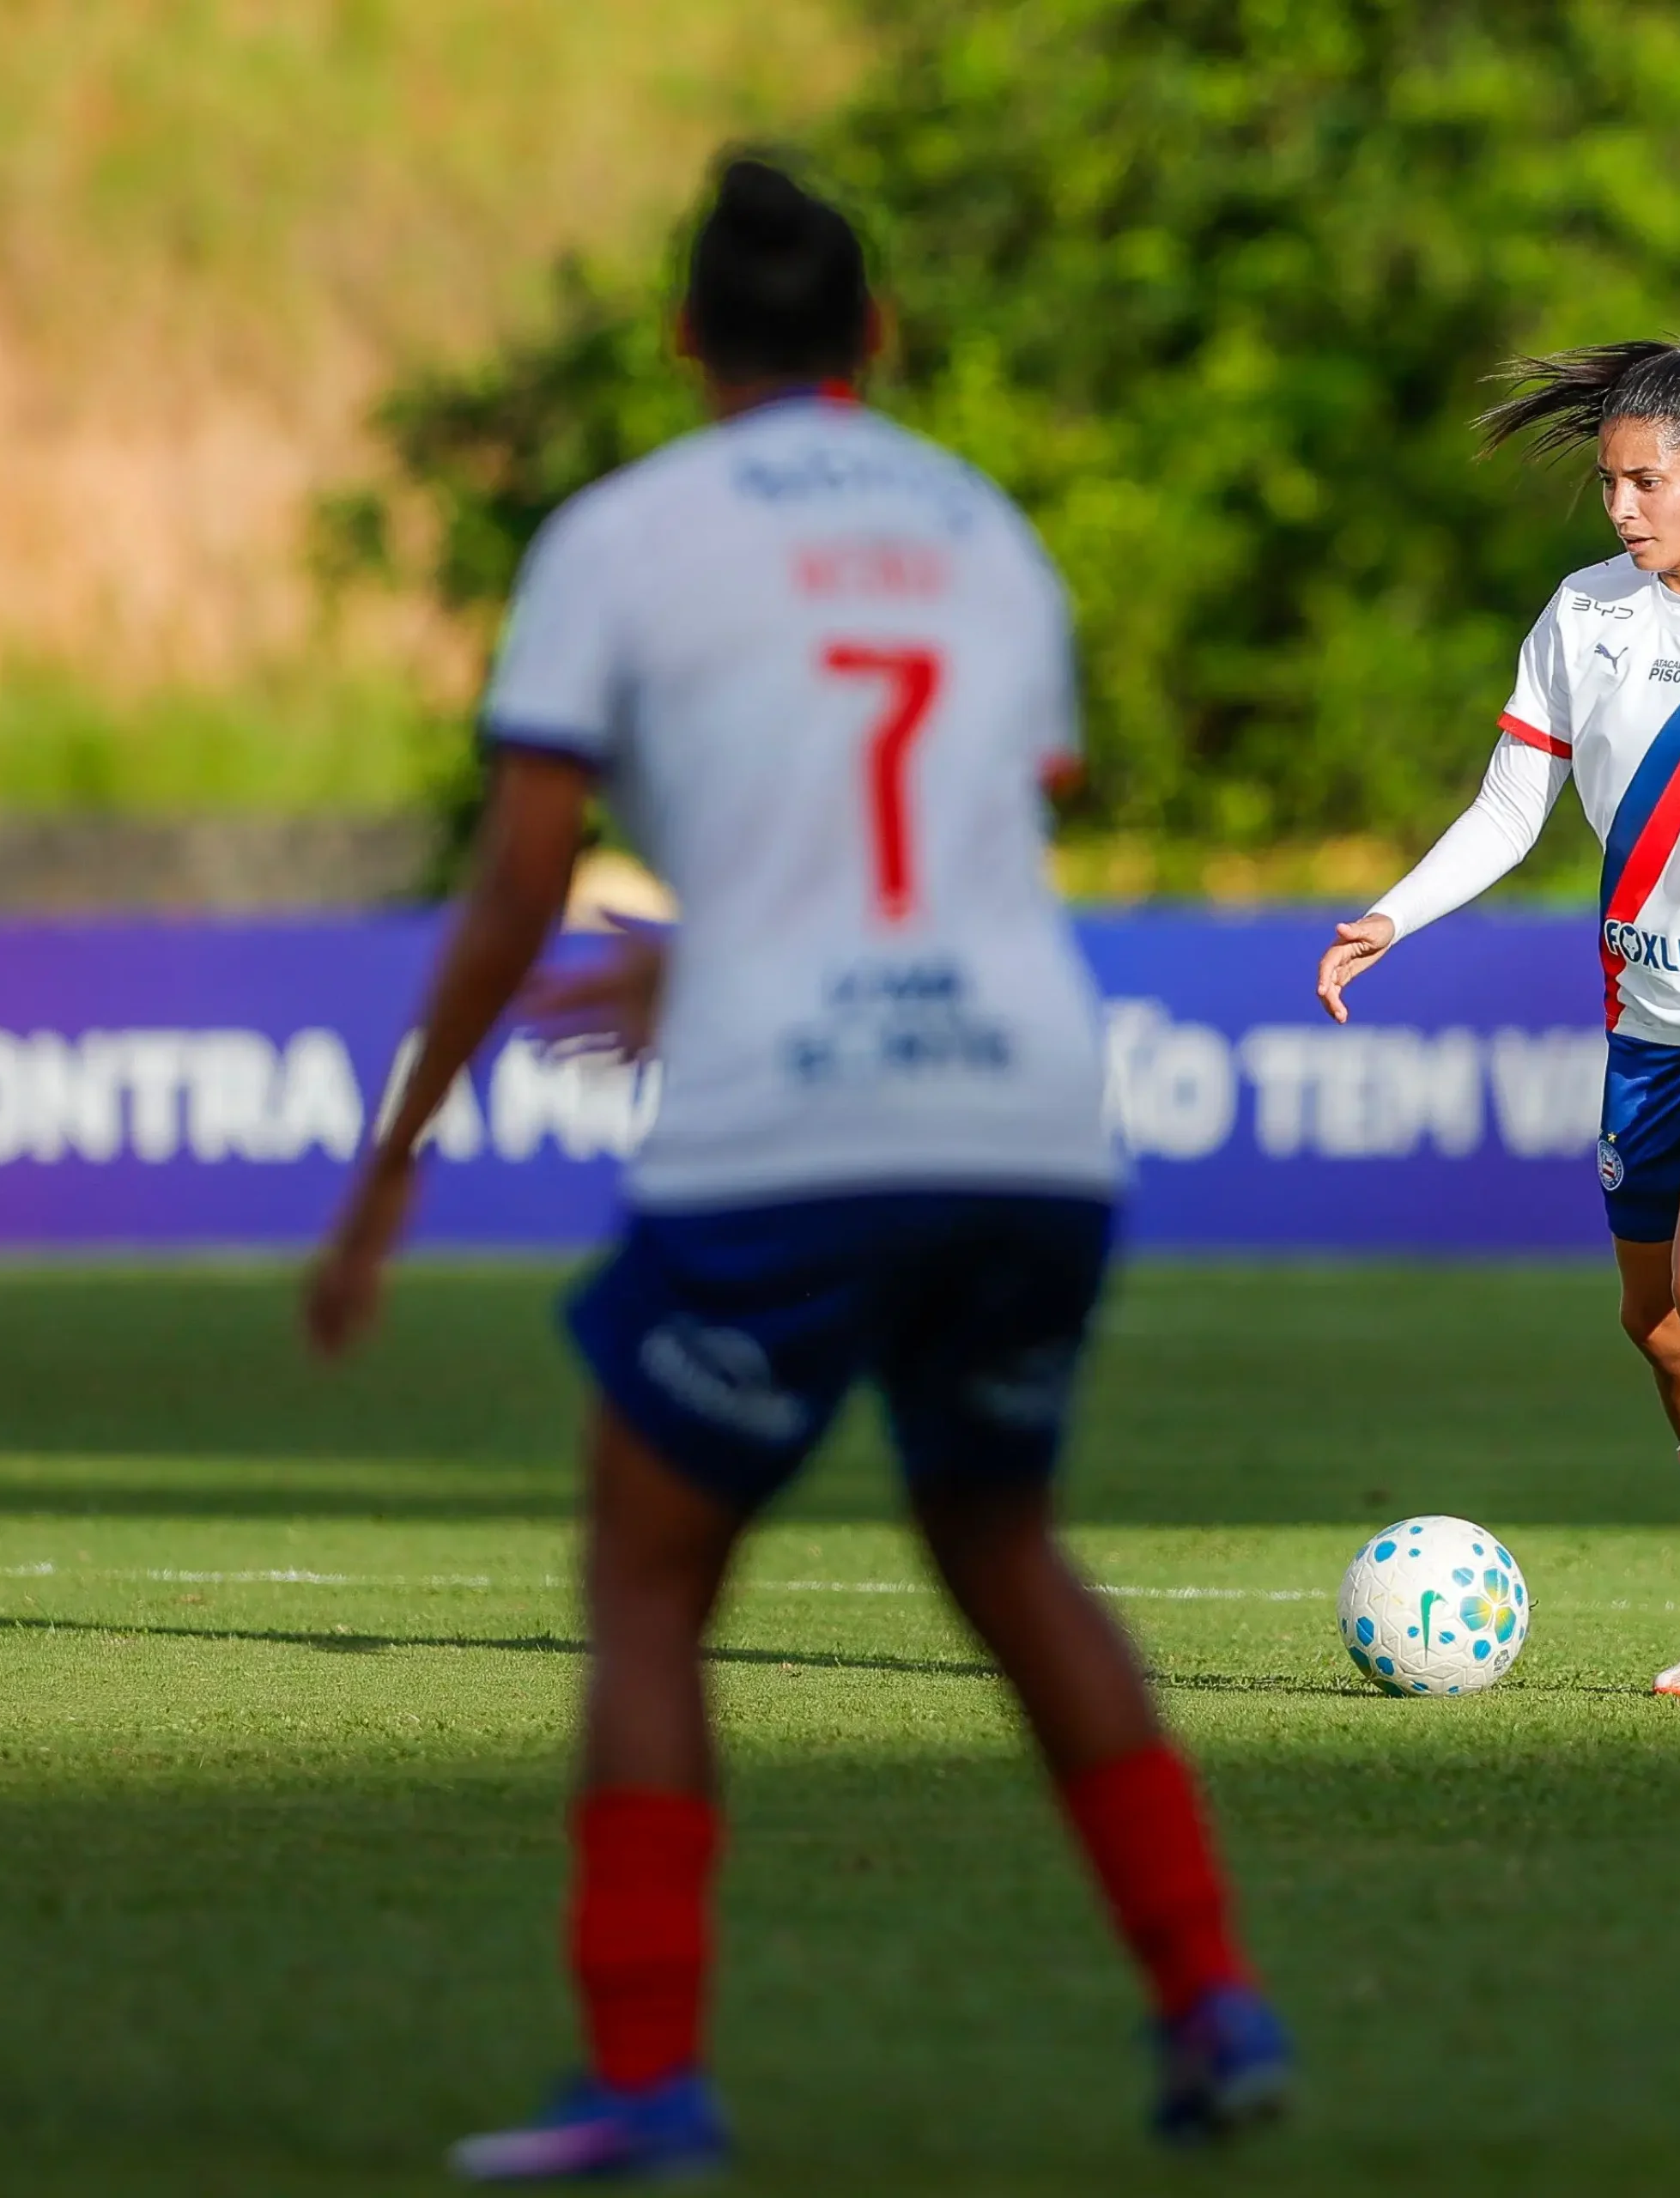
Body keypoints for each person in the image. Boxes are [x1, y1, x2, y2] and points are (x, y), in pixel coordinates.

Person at [304, 155, 1290, 2181]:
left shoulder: (618, 535)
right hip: (1029, 1112)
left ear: (684, 336)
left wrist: (395, 1157)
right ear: (877, 332)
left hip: (793, 1125)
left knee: (647, 1576)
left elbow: (520, 874)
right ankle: (1210, 1997)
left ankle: (644, 2080)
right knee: (1001, 1544)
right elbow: (953, 824)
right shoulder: (983, 530)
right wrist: (722, 944)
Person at [1317, 340, 1680, 1697]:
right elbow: (1509, 807)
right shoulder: (1583, 616)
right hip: (1651, 1024)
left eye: (1649, 482)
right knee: (1656, 1322)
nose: (1624, 507)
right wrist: (1393, 917)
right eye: (1609, 483)